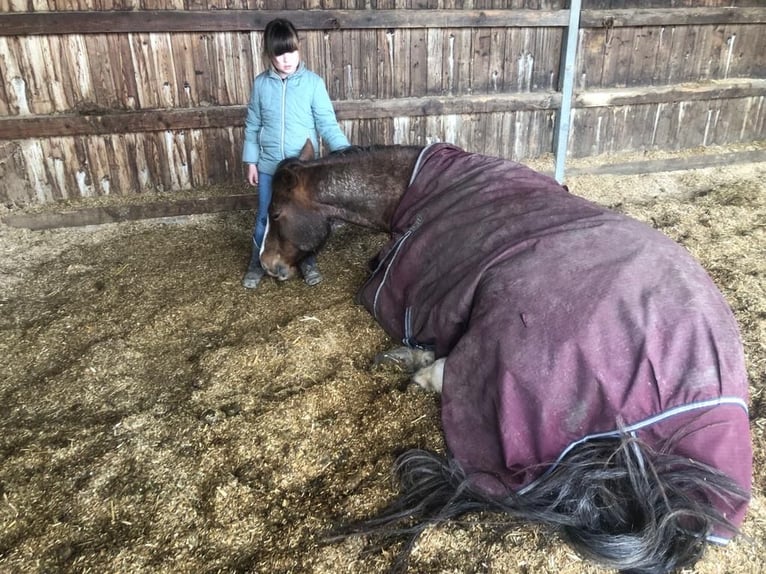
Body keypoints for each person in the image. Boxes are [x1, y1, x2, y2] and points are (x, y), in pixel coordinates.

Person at [242, 18, 350, 289]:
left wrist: (346, 154)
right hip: (269, 167)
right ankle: (256, 262)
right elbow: (253, 124)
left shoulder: (313, 83)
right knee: (266, 218)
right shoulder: (261, 85)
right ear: (269, 54)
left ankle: (307, 261)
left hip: (303, 170)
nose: (286, 59)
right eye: (279, 53)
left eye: (291, 51)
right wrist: (251, 160)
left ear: (298, 48)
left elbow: (327, 123)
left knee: (305, 218)